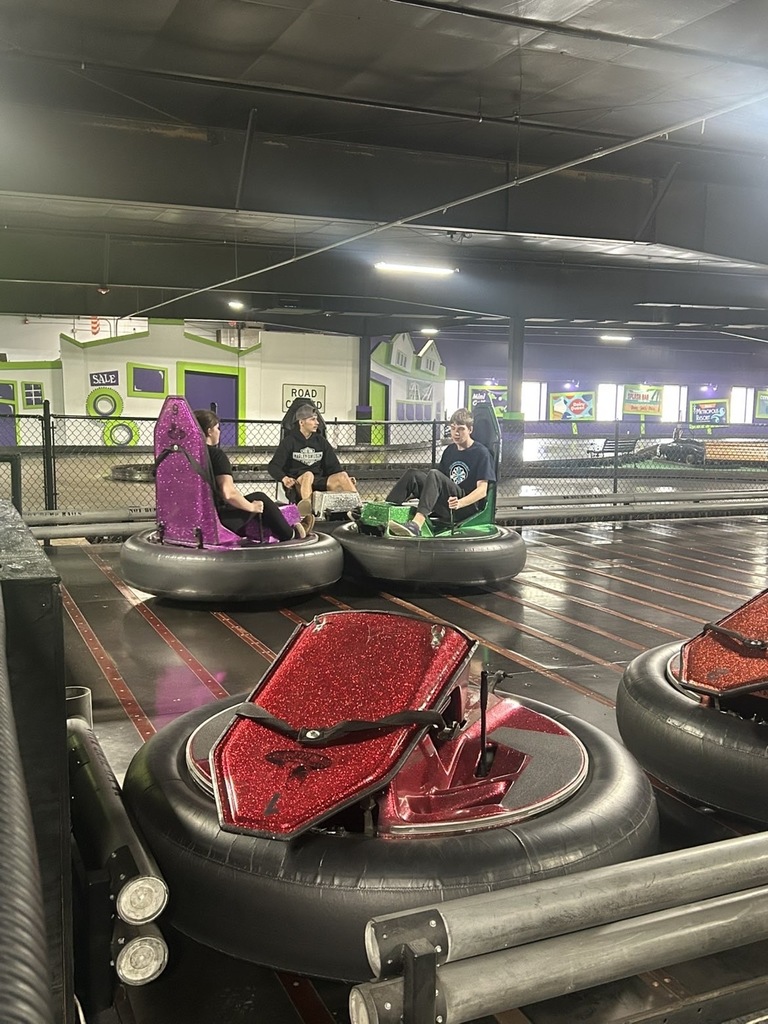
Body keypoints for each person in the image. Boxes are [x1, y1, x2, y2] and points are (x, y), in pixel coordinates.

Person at [194, 409, 314, 540]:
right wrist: (252, 506)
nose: (219, 432)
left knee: (251, 503)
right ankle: (291, 534)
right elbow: (228, 494)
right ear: (209, 431)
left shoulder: (187, 457)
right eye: (217, 428)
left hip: (195, 518)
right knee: (260, 498)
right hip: (217, 520)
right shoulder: (216, 455)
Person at [386, 407, 495, 537]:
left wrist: (460, 503)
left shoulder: (481, 453)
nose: (456, 433)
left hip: (466, 507)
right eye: (453, 428)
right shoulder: (449, 451)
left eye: (461, 429)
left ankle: (416, 525)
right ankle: (383, 514)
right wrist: (415, 491)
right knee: (413, 475)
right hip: (448, 502)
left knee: (434, 474)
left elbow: (482, 491)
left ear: (470, 430)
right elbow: (438, 484)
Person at [267, 403, 357, 504]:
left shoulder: (321, 441)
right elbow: (273, 466)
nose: (317, 423)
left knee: (343, 476)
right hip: (299, 482)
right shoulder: (289, 441)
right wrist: (284, 479)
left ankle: (357, 510)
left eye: (317, 419)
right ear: (301, 422)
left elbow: (333, 466)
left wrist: (346, 480)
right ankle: (308, 511)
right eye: (312, 419)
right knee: (308, 475)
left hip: (319, 481)